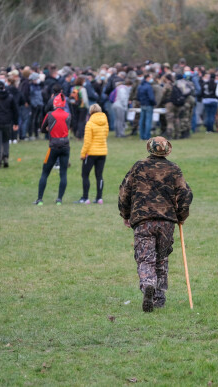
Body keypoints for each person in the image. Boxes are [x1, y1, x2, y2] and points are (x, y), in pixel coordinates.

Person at [118, 136, 193, 312]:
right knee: (161, 257)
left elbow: (124, 192)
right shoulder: (174, 169)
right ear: (167, 150)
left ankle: (148, 284)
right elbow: (185, 194)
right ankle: (159, 297)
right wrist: (182, 216)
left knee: (145, 257)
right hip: (167, 221)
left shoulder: (138, 167)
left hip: (143, 220)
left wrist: (125, 215)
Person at [34, 93, 71, 206]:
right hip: (65, 146)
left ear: (54, 103)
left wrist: (49, 129)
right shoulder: (68, 115)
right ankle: (59, 199)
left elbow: (42, 129)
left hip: (53, 146)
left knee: (45, 172)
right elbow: (67, 128)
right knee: (63, 173)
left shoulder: (50, 114)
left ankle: (40, 199)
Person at [75, 104, 109, 204]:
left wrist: (82, 154)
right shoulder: (105, 122)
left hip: (91, 153)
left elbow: (87, 141)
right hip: (102, 152)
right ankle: (99, 198)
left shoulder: (90, 123)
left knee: (85, 175)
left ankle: (85, 198)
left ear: (91, 112)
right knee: (99, 175)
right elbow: (105, 135)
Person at [137, 73, 156, 140]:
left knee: (142, 120)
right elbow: (151, 97)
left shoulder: (140, 86)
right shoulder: (148, 87)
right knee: (148, 120)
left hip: (142, 104)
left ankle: (141, 136)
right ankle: (147, 136)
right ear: (147, 78)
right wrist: (154, 103)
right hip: (148, 105)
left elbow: (138, 96)